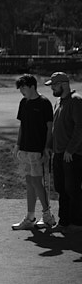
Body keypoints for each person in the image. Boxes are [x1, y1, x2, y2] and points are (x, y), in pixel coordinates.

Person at [11, 74, 56, 230]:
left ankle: (47, 216)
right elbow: (22, 126)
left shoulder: (44, 103)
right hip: (25, 149)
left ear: (31, 86)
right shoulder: (23, 103)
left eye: (23, 88)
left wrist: (47, 148)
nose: (21, 91)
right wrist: (17, 145)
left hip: (38, 150)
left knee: (37, 182)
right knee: (30, 182)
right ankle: (30, 218)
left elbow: (50, 128)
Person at [45, 72, 82, 234]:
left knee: (72, 189)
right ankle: (64, 221)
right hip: (59, 153)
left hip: (72, 154)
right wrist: (50, 146)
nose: (52, 88)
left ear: (64, 84)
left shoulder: (76, 101)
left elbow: (80, 127)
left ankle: (77, 222)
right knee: (61, 188)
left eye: (54, 85)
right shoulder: (59, 101)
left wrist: (70, 149)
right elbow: (56, 129)